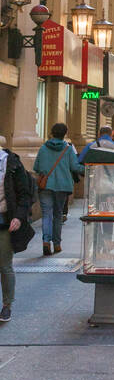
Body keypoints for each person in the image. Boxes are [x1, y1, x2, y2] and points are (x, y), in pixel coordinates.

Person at [32, 124, 82, 256]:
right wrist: (87, 168)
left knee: (47, 214)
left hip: (46, 185)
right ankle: (57, 244)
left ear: (52, 133)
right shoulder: (68, 149)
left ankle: (46, 242)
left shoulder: (43, 148)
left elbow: (36, 167)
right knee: (58, 215)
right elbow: (75, 167)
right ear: (65, 134)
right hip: (62, 186)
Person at [0, 134, 33, 322]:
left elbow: (24, 194)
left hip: (4, 220)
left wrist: (19, 217)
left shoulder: (11, 163)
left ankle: (6, 305)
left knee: (4, 265)